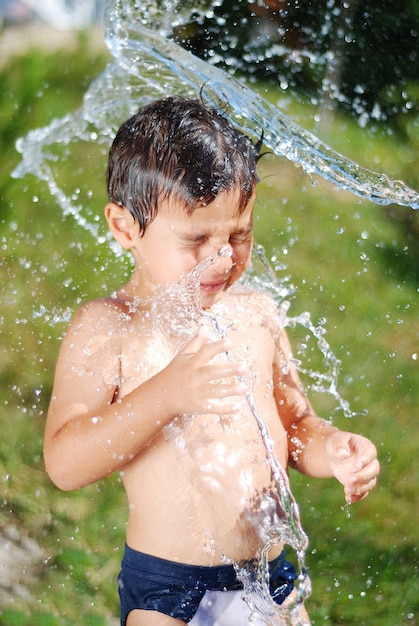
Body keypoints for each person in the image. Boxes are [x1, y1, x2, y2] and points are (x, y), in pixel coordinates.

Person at [44, 95, 380, 626]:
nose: (223, 258)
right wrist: (166, 393)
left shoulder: (257, 313)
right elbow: (64, 463)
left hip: (271, 575)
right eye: (197, 239)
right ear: (125, 227)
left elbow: (293, 424)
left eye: (239, 235)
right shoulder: (110, 327)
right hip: (169, 588)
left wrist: (331, 449)